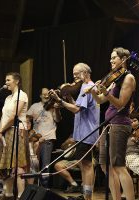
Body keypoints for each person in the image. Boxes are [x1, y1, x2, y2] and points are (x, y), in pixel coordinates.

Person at [87, 47, 136, 200]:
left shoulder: (128, 78)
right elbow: (101, 100)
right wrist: (95, 92)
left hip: (120, 124)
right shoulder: (114, 79)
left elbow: (121, 104)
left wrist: (106, 92)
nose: (111, 60)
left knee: (118, 165)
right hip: (108, 124)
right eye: (110, 58)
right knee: (104, 165)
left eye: (114, 57)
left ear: (123, 59)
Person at [50, 62, 100, 200]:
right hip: (82, 133)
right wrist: (68, 100)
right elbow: (78, 110)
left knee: (87, 165)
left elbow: (77, 109)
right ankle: (85, 195)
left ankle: (88, 197)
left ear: (85, 73)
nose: (74, 78)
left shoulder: (88, 87)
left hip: (87, 132)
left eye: (76, 74)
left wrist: (60, 101)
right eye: (73, 75)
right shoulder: (85, 87)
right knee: (84, 165)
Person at [0, 72, 29, 200]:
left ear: (17, 81)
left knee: (18, 165)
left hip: (16, 131)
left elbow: (14, 115)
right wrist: (1, 131)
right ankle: (8, 194)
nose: (6, 82)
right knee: (6, 165)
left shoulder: (22, 95)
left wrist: (1, 129)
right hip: (6, 132)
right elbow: (4, 116)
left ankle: (21, 196)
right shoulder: (8, 98)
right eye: (5, 80)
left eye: (8, 80)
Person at [27, 87, 61, 187]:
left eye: (48, 94)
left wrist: (57, 109)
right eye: (44, 94)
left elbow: (58, 120)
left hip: (48, 139)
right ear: (40, 96)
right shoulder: (34, 106)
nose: (46, 96)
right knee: (33, 165)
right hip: (35, 139)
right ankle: (32, 186)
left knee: (45, 165)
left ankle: (43, 188)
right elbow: (27, 119)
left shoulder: (53, 107)